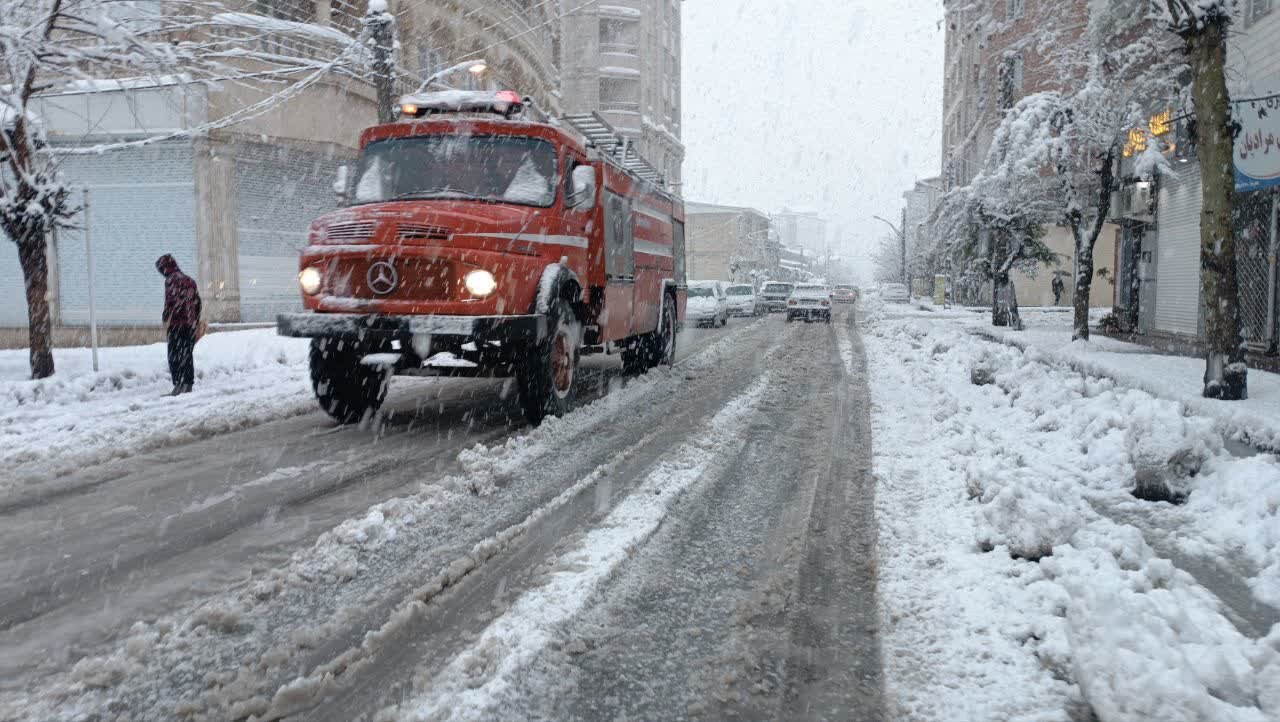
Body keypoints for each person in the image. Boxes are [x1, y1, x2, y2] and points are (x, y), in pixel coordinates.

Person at [156, 254, 202, 395]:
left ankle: (178, 384)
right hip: (189, 325)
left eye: (161, 269)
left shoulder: (171, 281)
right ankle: (187, 384)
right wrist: (195, 320)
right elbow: (198, 303)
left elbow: (170, 302)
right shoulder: (190, 281)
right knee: (187, 354)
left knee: (174, 355)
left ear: (165, 268)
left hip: (177, 325)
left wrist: (165, 316)